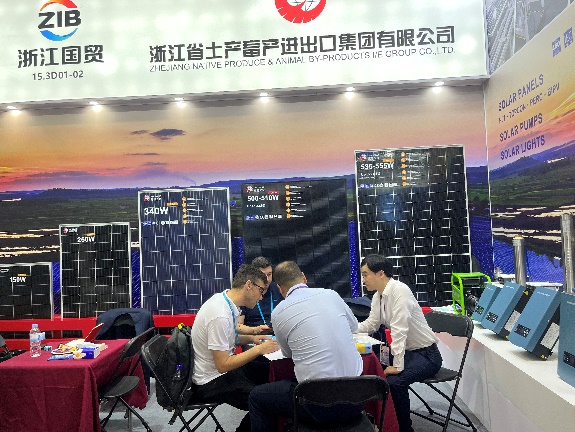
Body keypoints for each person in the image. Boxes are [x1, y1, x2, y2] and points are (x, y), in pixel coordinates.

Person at [249, 261, 363, 431]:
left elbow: (287, 353)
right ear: (303, 277)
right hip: (357, 399)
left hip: (317, 405)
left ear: (279, 287)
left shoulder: (279, 312)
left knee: (257, 397)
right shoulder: (331, 294)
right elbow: (354, 327)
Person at [357, 254, 442, 432]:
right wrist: (348, 328)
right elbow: (371, 324)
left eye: (365, 275)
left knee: (395, 382)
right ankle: (379, 421)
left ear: (380, 273)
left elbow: (399, 330)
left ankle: (404, 429)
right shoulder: (378, 296)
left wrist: (397, 366)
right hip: (407, 352)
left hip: (427, 355)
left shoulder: (400, 291)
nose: (363, 280)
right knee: (371, 369)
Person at [191, 264, 280, 432]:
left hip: (220, 372)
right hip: (211, 381)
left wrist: (252, 338)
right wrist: (258, 349)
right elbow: (223, 365)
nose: (261, 297)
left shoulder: (225, 301)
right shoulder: (219, 314)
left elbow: (229, 337)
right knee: (266, 404)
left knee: (268, 370)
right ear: (249, 285)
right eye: (261, 291)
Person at [237, 256, 283, 336]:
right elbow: (238, 326)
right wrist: (255, 330)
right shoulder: (246, 292)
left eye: (269, 274)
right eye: (263, 275)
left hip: (277, 336)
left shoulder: (278, 288)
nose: (267, 279)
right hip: (253, 337)